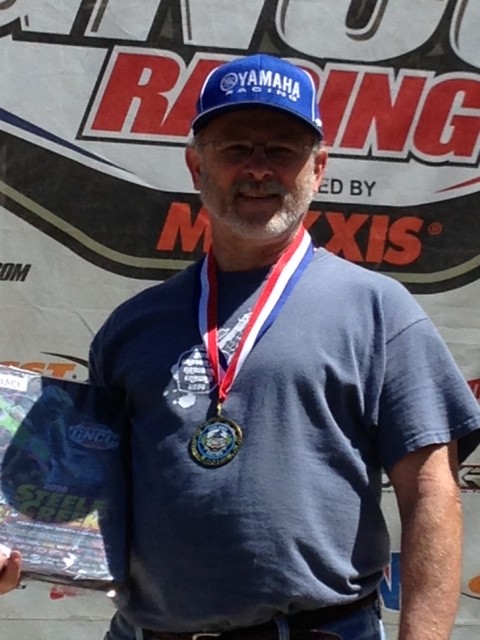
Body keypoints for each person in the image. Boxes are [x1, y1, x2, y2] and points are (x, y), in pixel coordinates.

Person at [2, 53, 480, 640]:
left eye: (281, 150)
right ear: (195, 166)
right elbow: (78, 485)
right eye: (234, 149)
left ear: (318, 168)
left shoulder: (377, 309)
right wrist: (17, 544)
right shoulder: (133, 325)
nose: (258, 169)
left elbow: (432, 492)